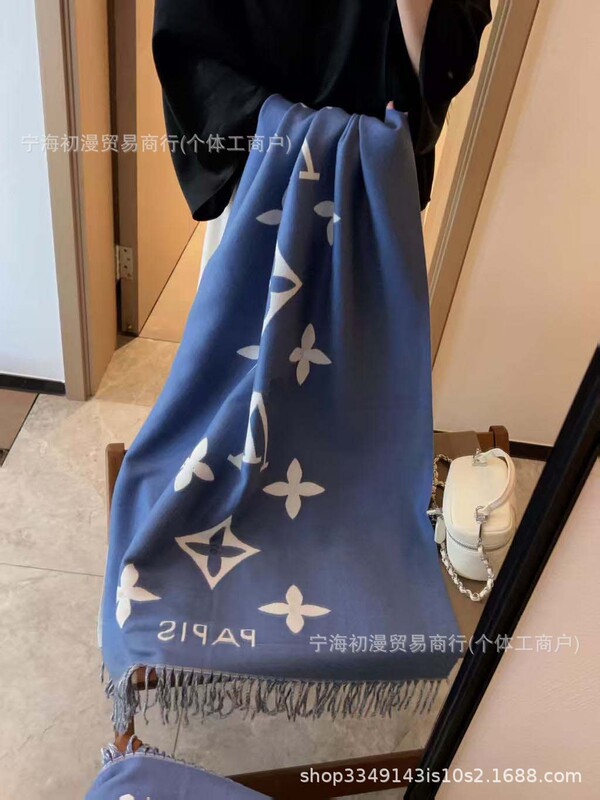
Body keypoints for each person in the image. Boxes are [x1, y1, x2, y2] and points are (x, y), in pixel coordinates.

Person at [153, 0, 492, 225]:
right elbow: (187, 46)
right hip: (264, 170)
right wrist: (285, 134)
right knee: (254, 305)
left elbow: (447, 63)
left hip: (378, 191)